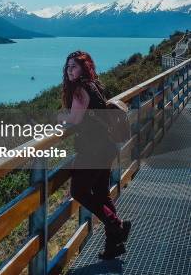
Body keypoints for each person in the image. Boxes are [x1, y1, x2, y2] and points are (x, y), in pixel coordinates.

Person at [59, 50, 131, 260]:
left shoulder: (80, 89)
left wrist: (60, 118)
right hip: (106, 147)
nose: (69, 70)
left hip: (92, 150)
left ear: (83, 68)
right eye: (68, 66)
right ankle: (113, 245)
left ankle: (115, 225)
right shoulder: (94, 85)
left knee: (79, 191)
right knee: (101, 194)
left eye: (73, 66)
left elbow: (74, 120)